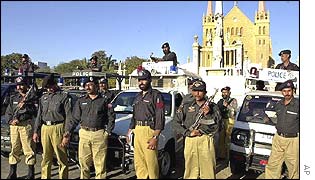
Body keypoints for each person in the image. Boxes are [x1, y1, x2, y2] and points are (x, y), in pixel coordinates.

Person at [62, 76, 115, 179]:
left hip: (99, 134)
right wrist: (68, 132)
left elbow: (111, 117)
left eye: (90, 85)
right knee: (84, 162)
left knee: (99, 164)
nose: (88, 87)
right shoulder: (81, 101)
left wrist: (107, 132)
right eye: (86, 85)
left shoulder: (104, 100)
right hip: (84, 134)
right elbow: (74, 118)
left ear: (96, 86)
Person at [174, 80, 221, 178]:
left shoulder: (213, 107)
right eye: (195, 90)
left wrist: (208, 114)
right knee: (191, 171)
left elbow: (217, 125)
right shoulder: (186, 106)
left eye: (200, 91)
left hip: (206, 140)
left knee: (208, 172)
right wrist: (188, 133)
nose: (197, 93)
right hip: (190, 140)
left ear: (205, 92)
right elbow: (175, 123)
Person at [126, 69, 165, 179]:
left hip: (149, 131)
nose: (141, 82)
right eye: (139, 80)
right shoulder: (138, 96)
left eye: (144, 80)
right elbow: (134, 115)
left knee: (151, 163)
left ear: (149, 80)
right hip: (137, 130)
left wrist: (155, 136)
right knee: (139, 163)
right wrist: (129, 130)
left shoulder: (156, 95)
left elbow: (160, 117)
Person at [32, 74, 73, 179]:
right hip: (45, 128)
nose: (49, 89)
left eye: (50, 86)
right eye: (47, 87)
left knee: (61, 157)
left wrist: (66, 133)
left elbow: (69, 116)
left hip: (58, 127)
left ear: (55, 84)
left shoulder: (63, 96)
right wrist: (36, 131)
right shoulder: (43, 97)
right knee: (46, 157)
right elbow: (39, 116)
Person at [265, 80, 299, 179]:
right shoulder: (278, 104)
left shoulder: (299, 105)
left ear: (293, 91)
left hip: (292, 140)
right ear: (282, 92)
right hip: (278, 139)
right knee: (272, 165)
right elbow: (275, 118)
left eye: (289, 90)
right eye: (284, 91)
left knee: (294, 168)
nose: (287, 93)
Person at [5, 77, 38, 179]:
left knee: (29, 149)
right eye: (18, 85)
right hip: (14, 127)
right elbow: (8, 112)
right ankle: (12, 172)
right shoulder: (14, 97)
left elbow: (34, 112)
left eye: (22, 85)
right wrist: (10, 121)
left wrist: (26, 107)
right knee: (14, 149)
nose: (19, 87)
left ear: (26, 86)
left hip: (26, 126)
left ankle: (31, 173)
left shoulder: (32, 98)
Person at [217, 86, 238, 160]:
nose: (224, 94)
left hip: (230, 120)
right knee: (221, 138)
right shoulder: (220, 101)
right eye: (223, 92)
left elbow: (234, 111)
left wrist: (227, 106)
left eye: (225, 92)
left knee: (228, 138)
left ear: (229, 93)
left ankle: (229, 156)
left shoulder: (233, 100)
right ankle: (221, 155)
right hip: (222, 120)